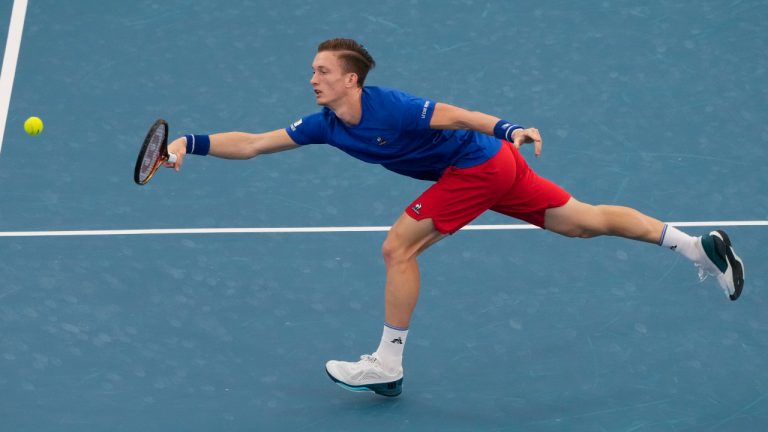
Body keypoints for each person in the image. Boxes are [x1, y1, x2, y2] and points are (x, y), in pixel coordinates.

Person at [165, 38, 745, 397]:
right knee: (582, 220)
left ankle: (386, 363)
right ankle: (696, 247)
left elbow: (457, 114)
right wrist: (190, 142)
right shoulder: (325, 125)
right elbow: (254, 143)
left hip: (482, 164)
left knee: (398, 249)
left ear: (351, 79)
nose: (312, 77)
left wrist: (508, 127)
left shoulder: (389, 105)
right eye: (312, 70)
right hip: (491, 170)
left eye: (322, 70)